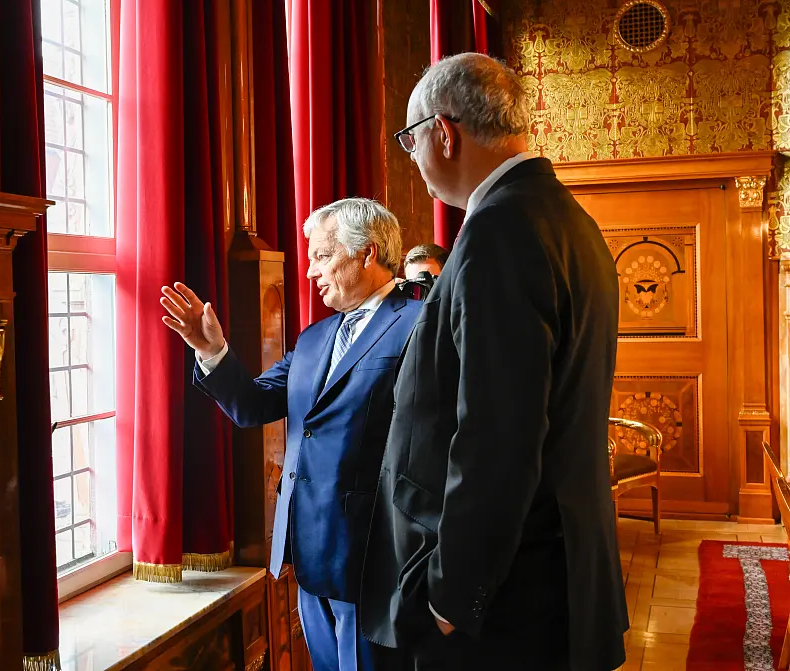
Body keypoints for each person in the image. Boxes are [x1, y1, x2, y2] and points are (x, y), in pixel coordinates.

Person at [359, 53, 628, 671]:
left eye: (410, 140)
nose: (415, 159)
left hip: (508, 602)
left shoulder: (498, 230)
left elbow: (498, 435)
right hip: (555, 568)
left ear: (443, 132)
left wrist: (455, 593)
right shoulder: (565, 219)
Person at [160, 198, 420, 671]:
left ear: (367, 253)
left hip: (378, 557)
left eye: (322, 255)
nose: (310, 271)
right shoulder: (315, 337)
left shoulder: (418, 326)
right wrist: (213, 351)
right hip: (308, 551)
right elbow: (252, 405)